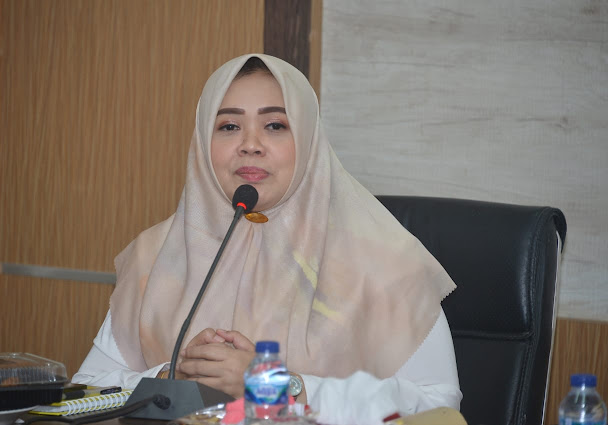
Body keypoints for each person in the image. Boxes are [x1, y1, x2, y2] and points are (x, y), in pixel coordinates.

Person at [73, 54, 462, 424]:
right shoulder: (158, 256)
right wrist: (170, 377)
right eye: (229, 126)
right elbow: (85, 388)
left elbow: (437, 407)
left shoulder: (384, 262)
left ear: (308, 139)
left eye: (275, 125)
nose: (250, 144)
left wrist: (278, 386)